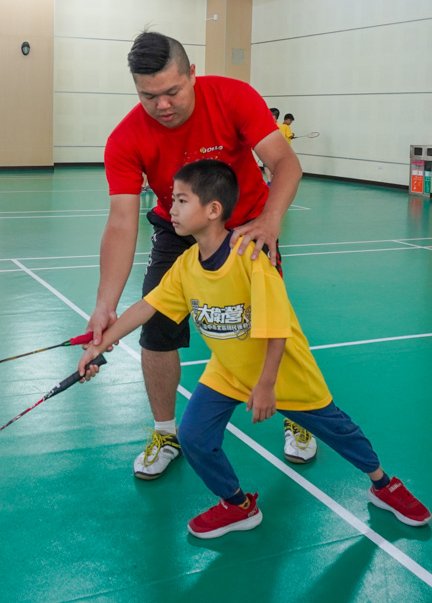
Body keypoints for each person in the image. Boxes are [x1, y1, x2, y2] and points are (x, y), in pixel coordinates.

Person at [78, 160, 431, 538]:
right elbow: (149, 306)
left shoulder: (250, 259)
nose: (172, 209)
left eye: (181, 201)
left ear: (213, 210)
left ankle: (383, 484)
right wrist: (101, 343)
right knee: (194, 437)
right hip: (228, 370)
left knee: (340, 432)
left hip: (283, 373)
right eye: (172, 200)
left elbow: (276, 329)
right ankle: (237, 505)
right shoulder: (185, 265)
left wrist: (266, 386)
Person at [89, 30, 315, 481]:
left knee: (270, 322)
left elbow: (286, 163)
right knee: (155, 331)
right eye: (148, 96)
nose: (162, 105)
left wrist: (270, 221)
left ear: (193, 74)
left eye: (172, 91)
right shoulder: (127, 137)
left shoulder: (233, 97)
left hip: (249, 225)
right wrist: (104, 305)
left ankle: (300, 414)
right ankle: (165, 432)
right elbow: (120, 222)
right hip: (176, 227)